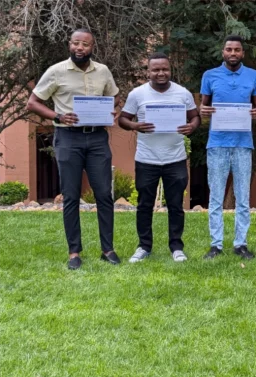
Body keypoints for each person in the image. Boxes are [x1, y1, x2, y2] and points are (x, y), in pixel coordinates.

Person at [26, 29, 120, 270]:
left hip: (97, 138)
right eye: (76, 43)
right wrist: (57, 115)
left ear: (92, 46)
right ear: (70, 44)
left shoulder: (103, 71)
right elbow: (33, 103)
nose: (80, 48)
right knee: (70, 196)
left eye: (85, 44)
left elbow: (114, 97)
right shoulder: (57, 71)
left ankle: (108, 249)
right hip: (68, 138)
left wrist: (109, 110)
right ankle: (74, 252)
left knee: (104, 195)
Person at [118, 52, 200, 263]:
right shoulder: (138, 94)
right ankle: (144, 246)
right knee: (145, 205)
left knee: (175, 205)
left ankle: (176, 247)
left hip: (176, 158)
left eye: (165, 69)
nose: (161, 73)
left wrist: (191, 127)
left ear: (170, 70)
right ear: (148, 72)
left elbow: (195, 117)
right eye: (156, 69)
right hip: (147, 159)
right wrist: (136, 126)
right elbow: (123, 119)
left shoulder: (182, 93)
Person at [199, 35, 256, 260]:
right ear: (223, 52)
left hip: (243, 143)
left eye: (237, 50)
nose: (233, 53)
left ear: (242, 53)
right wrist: (203, 111)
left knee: (242, 196)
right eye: (229, 49)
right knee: (215, 195)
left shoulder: (254, 76)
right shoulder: (210, 76)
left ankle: (240, 244)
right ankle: (215, 244)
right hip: (217, 143)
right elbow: (203, 107)